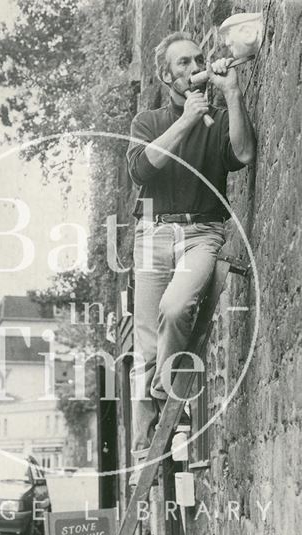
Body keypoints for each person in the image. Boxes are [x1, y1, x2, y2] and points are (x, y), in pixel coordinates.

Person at [127, 32, 256, 451]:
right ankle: (146, 443)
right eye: (182, 63)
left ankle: (166, 396)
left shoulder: (215, 118)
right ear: (166, 75)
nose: (194, 67)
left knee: (176, 306)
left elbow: (244, 155)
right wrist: (186, 119)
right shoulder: (148, 122)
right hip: (153, 233)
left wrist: (232, 94)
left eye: (197, 59)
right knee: (146, 345)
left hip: (203, 233)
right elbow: (142, 170)